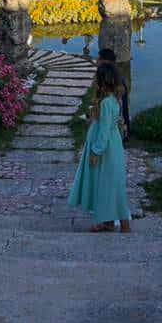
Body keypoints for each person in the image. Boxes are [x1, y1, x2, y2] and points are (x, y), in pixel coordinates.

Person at [68, 64, 132, 233]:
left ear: (102, 82)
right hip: (113, 148)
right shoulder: (114, 100)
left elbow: (104, 131)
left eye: (96, 78)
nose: (94, 81)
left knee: (110, 186)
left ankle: (125, 225)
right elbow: (114, 124)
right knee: (109, 185)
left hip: (106, 151)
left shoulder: (105, 103)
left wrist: (96, 151)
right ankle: (108, 222)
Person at [97, 48, 131, 141]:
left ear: (105, 61)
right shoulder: (115, 75)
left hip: (112, 128)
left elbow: (123, 108)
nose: (97, 60)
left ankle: (124, 134)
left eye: (99, 58)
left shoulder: (113, 79)